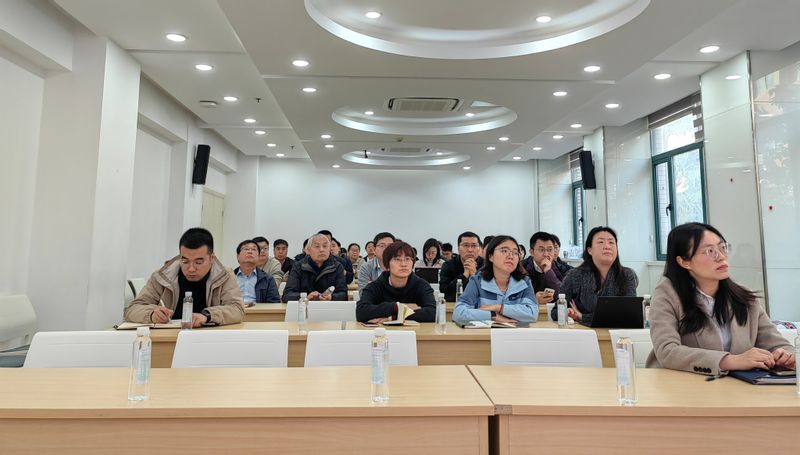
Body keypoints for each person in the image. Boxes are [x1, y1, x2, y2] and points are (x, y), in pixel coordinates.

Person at [647, 223, 795, 375]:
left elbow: (777, 344)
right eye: (709, 251)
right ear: (684, 261)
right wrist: (730, 361)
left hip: (737, 385)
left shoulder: (744, 297)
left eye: (722, 248)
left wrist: (786, 356)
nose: (721, 257)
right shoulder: (666, 294)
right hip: (680, 384)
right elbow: (667, 351)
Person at [125, 228, 244, 326]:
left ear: (211, 258)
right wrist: (151, 314)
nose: (191, 269)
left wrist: (207, 316)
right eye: (185, 261)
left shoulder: (224, 276)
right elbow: (133, 309)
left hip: (208, 338)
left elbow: (237, 309)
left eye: (198, 262)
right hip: (169, 337)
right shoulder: (162, 276)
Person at [550, 226, 638, 325]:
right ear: (589, 250)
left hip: (617, 333)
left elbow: (629, 314)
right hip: (583, 332)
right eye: (601, 242)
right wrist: (567, 312)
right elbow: (555, 312)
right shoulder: (574, 275)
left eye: (611, 242)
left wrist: (582, 317)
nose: (607, 246)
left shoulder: (627, 275)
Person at [453, 235, 537, 325]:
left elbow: (532, 313)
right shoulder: (477, 281)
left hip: (516, 333)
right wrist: (492, 315)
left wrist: (499, 308)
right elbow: (459, 313)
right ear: (491, 256)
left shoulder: (524, 282)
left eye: (515, 253)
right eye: (504, 251)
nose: (511, 256)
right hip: (485, 333)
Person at [356, 241, 436, 323]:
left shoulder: (421, 285)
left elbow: (433, 313)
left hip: (415, 331)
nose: (403, 264)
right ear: (387, 264)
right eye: (397, 259)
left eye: (407, 259)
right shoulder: (376, 286)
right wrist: (398, 307)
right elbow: (361, 312)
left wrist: (392, 318)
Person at [282, 233, 347, 302]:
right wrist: (306, 297)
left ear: (329, 249)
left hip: (328, 307)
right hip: (305, 306)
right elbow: (287, 295)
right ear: (308, 250)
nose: (321, 249)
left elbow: (344, 295)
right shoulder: (299, 266)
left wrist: (331, 297)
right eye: (317, 246)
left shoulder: (337, 266)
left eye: (325, 246)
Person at [439, 232, 484, 301]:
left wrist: (474, 276)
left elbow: (490, 294)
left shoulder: (486, 265)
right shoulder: (448, 265)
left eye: (474, 246)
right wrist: (464, 275)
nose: (470, 250)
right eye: (466, 245)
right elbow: (445, 293)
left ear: (479, 248)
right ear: (458, 248)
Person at [233, 240, 280, 304]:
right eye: (246, 249)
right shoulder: (228, 278)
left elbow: (274, 303)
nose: (250, 252)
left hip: (258, 310)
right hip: (233, 310)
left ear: (258, 257)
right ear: (238, 256)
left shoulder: (268, 279)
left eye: (254, 249)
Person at [524, 232, 563, 304]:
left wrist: (548, 271)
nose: (546, 254)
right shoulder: (521, 268)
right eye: (541, 250)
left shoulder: (563, 269)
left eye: (550, 250)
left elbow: (563, 295)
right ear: (532, 252)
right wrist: (533, 299)